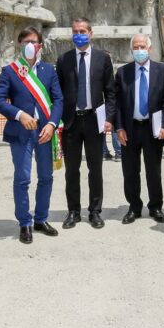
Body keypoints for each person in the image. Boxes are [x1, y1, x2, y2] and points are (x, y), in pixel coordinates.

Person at [0, 27, 64, 244]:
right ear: (19, 44)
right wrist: (19, 114)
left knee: (46, 177)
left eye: (34, 41)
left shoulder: (48, 70)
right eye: (25, 41)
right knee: (23, 178)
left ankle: (41, 219)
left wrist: (52, 124)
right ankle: (24, 222)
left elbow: (58, 100)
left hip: (45, 132)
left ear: (40, 45)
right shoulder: (10, 71)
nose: (30, 45)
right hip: (21, 132)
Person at [56, 17, 115, 229]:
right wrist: (58, 119)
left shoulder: (102, 59)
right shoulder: (64, 59)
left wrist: (109, 118)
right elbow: (59, 93)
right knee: (71, 169)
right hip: (71, 122)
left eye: (82, 30)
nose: (78, 34)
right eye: (75, 31)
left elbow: (110, 91)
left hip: (94, 120)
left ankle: (95, 211)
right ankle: (73, 211)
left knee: (95, 168)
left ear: (91, 33)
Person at [114, 33, 164, 224]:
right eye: (136, 47)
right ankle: (134, 207)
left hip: (152, 129)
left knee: (153, 170)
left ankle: (155, 207)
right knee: (130, 171)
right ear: (132, 50)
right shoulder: (123, 72)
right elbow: (118, 104)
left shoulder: (162, 71)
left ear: (150, 48)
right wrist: (119, 127)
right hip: (130, 129)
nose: (139, 50)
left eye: (142, 46)